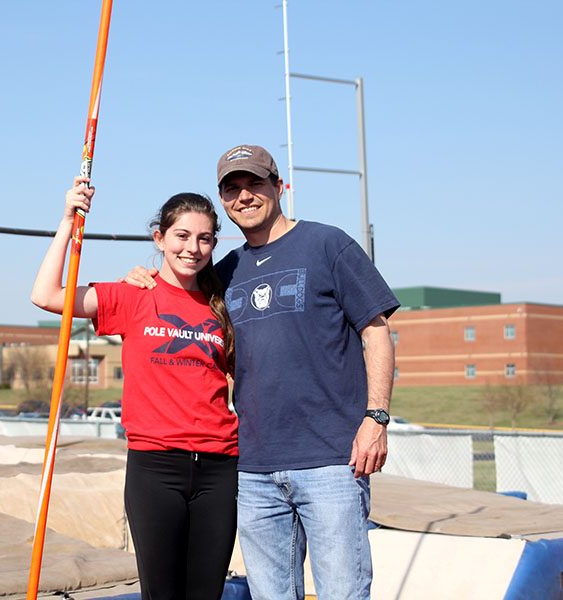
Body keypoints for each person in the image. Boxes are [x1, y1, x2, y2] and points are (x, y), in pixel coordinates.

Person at [126, 145, 399, 600]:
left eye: (255, 183)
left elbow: (377, 331)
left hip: (332, 461)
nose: (244, 195)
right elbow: (180, 294)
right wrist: (145, 276)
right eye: (232, 188)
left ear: (279, 186)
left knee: (343, 592)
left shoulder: (326, 244)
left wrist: (377, 418)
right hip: (252, 470)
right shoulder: (225, 272)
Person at [31, 177, 240, 600]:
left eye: (204, 239)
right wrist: (69, 219)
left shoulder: (223, 303)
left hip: (219, 469)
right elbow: (46, 294)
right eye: (181, 236)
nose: (192, 248)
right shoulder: (132, 295)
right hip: (155, 469)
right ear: (159, 238)